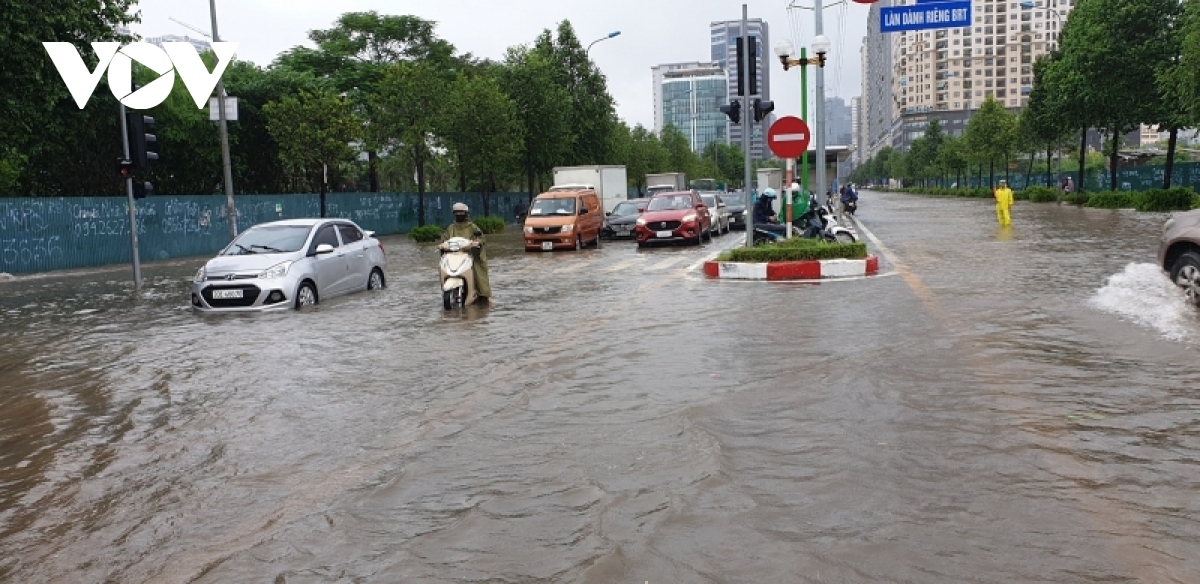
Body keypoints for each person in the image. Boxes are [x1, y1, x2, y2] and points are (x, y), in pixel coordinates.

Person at [442, 202, 492, 305]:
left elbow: (481, 238)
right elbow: (445, 239)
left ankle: (484, 295)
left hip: (471, 255)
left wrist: (477, 242)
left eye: (461, 212)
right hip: (454, 255)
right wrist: (442, 245)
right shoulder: (451, 228)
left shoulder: (473, 227)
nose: (459, 214)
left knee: (478, 269)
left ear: (466, 213)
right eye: (457, 212)